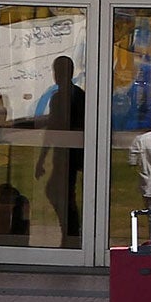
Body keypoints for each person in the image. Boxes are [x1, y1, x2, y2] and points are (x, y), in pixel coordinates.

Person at [36, 55, 86, 245]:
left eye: (60, 72)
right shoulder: (57, 97)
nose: (57, 76)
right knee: (57, 192)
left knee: (64, 194)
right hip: (60, 153)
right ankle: (70, 233)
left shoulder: (78, 96)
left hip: (72, 154)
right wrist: (42, 158)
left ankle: (72, 234)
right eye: (56, 72)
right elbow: (52, 128)